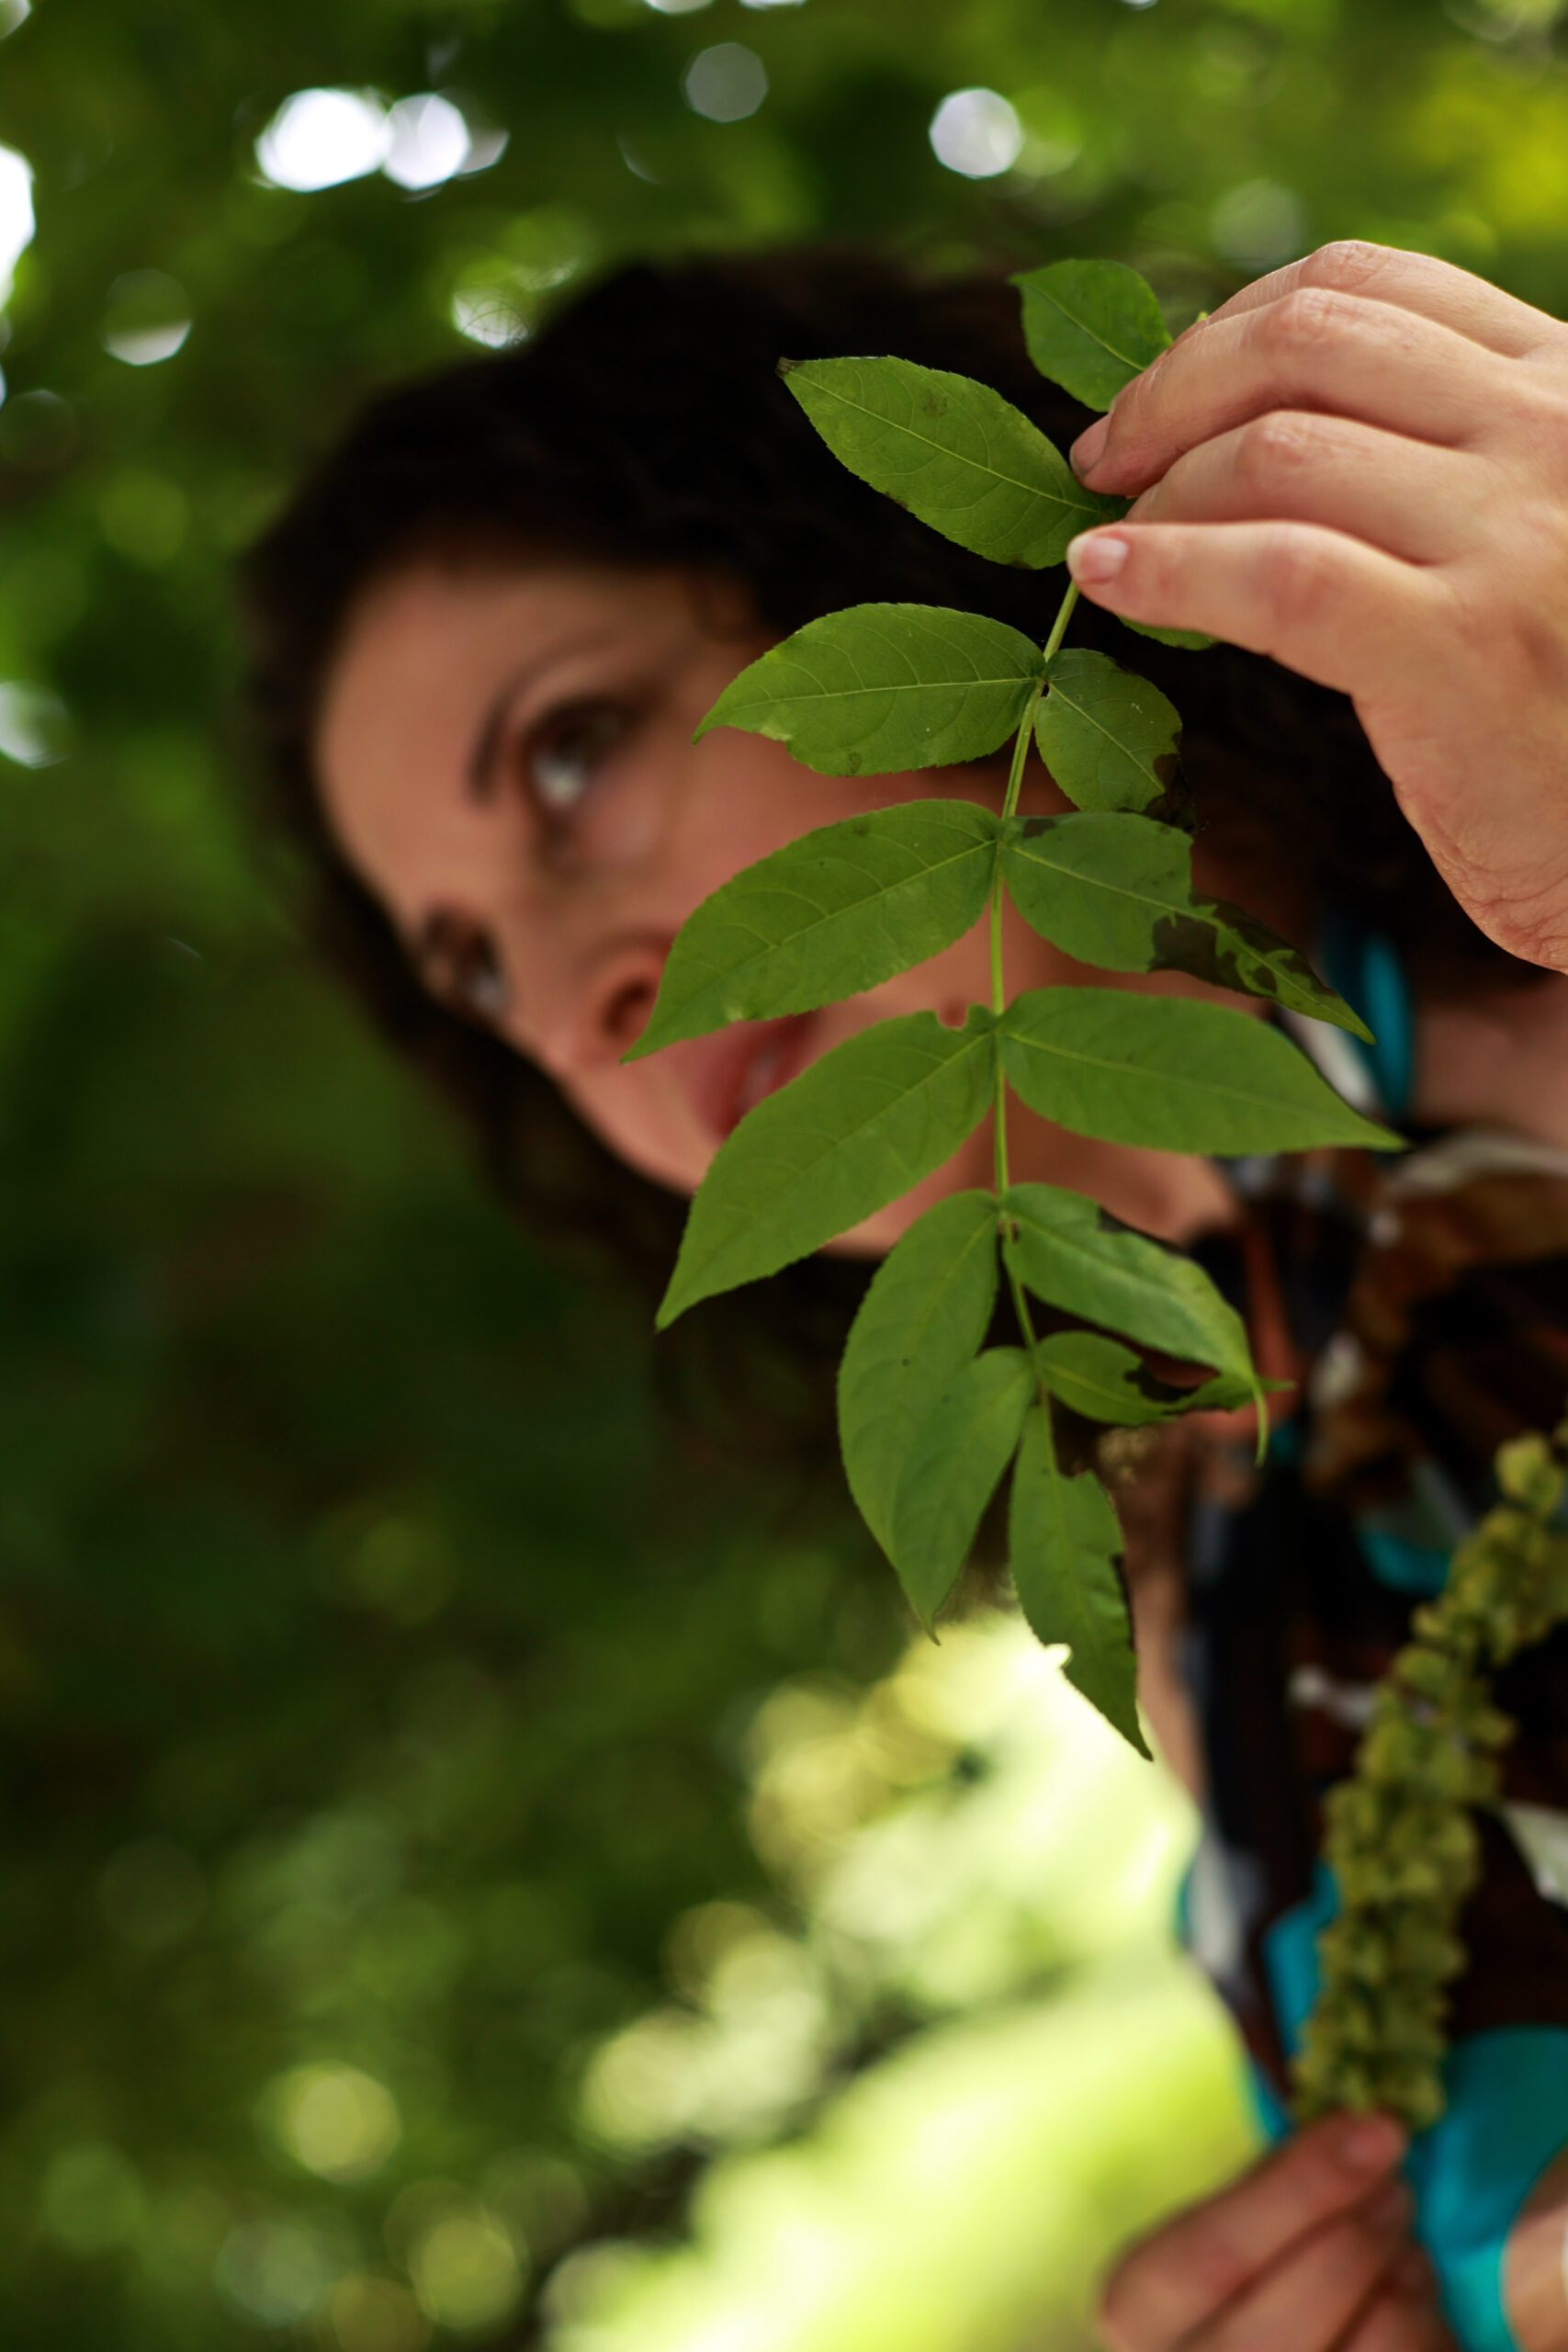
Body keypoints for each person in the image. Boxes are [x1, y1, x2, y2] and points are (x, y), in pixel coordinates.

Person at [242, 238, 1568, 2352]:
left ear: (905, 576)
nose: (574, 998)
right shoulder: (1189, 1523)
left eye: (570, 753)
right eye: (475, 973)